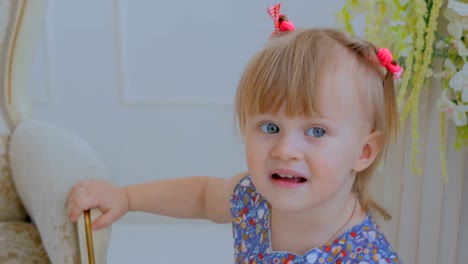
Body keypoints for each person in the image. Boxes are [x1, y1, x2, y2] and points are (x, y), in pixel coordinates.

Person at [68, 4, 402, 263]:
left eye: (316, 131)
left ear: (364, 152)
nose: (285, 150)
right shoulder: (254, 199)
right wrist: (126, 198)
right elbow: (201, 196)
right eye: (270, 127)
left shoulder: (364, 255)